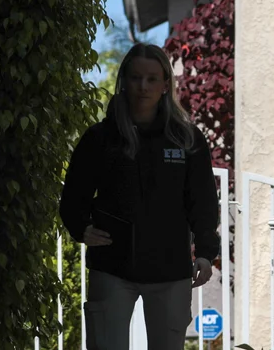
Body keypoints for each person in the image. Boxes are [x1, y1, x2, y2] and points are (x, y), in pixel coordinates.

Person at [60, 43, 220, 350]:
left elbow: (202, 199)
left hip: (170, 270)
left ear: (164, 85)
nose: (143, 86)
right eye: (135, 78)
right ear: (124, 81)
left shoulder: (187, 139)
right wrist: (81, 227)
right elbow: (73, 194)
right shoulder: (100, 138)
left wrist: (204, 251)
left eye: (151, 79)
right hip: (111, 267)